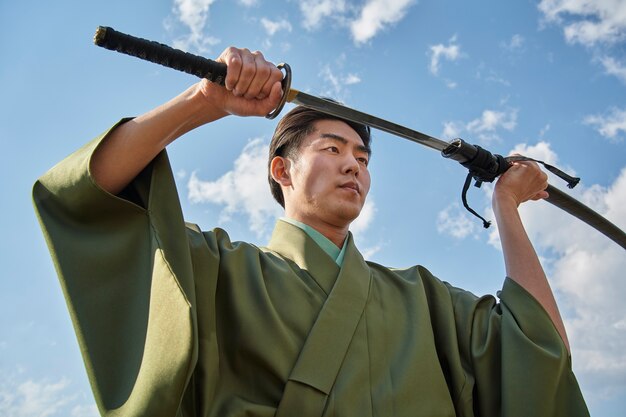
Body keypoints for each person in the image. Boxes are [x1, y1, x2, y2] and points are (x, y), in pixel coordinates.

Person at [33, 47, 589, 417]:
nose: (354, 166)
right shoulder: (221, 267)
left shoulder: (422, 298)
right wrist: (206, 102)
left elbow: (538, 350)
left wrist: (507, 205)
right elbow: (90, 193)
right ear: (282, 169)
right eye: (332, 149)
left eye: (363, 157)